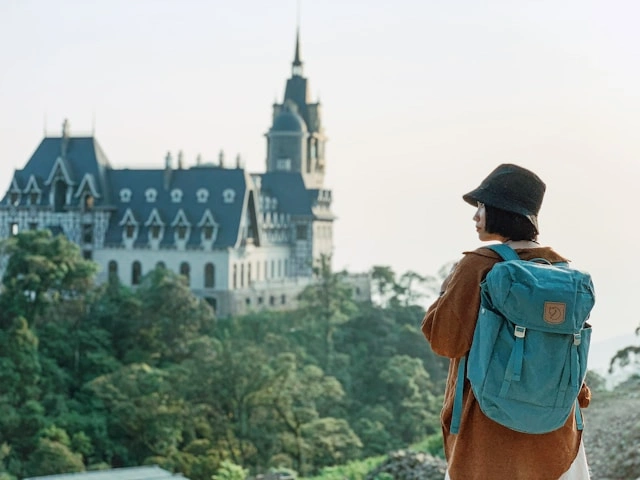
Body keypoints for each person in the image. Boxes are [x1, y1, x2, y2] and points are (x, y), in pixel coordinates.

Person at [421, 164, 591, 480]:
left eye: (482, 207)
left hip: (488, 430)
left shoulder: (478, 265)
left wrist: (447, 289)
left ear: (501, 211)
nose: (475, 217)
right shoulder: (563, 271)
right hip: (555, 430)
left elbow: (445, 341)